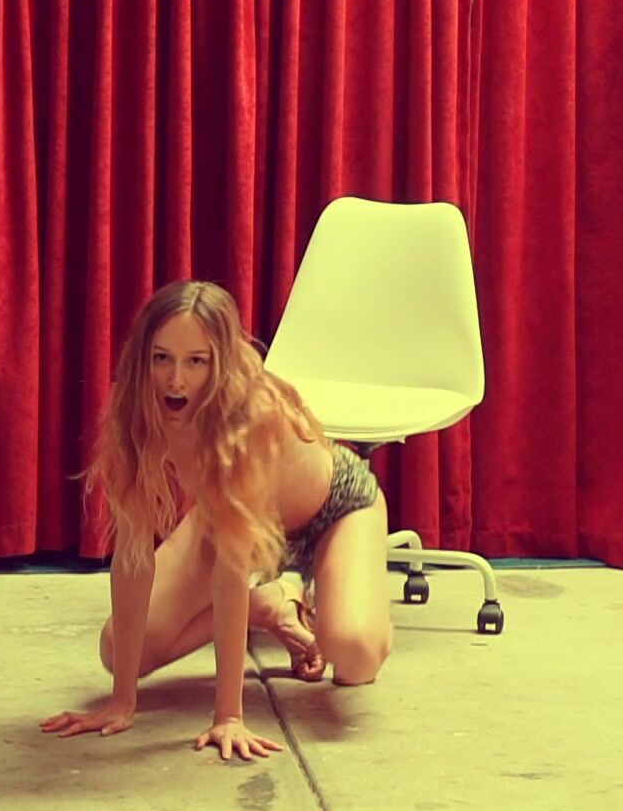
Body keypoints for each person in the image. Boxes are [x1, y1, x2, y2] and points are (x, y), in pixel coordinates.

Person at [41, 279, 392, 760]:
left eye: (196, 361)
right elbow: (134, 552)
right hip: (230, 516)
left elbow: (230, 574)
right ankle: (269, 605)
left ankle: (323, 599)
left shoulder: (249, 416)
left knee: (352, 656)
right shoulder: (136, 408)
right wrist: (122, 702)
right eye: (161, 358)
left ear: (220, 361)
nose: (175, 380)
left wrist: (229, 716)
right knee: (120, 648)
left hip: (335, 509)